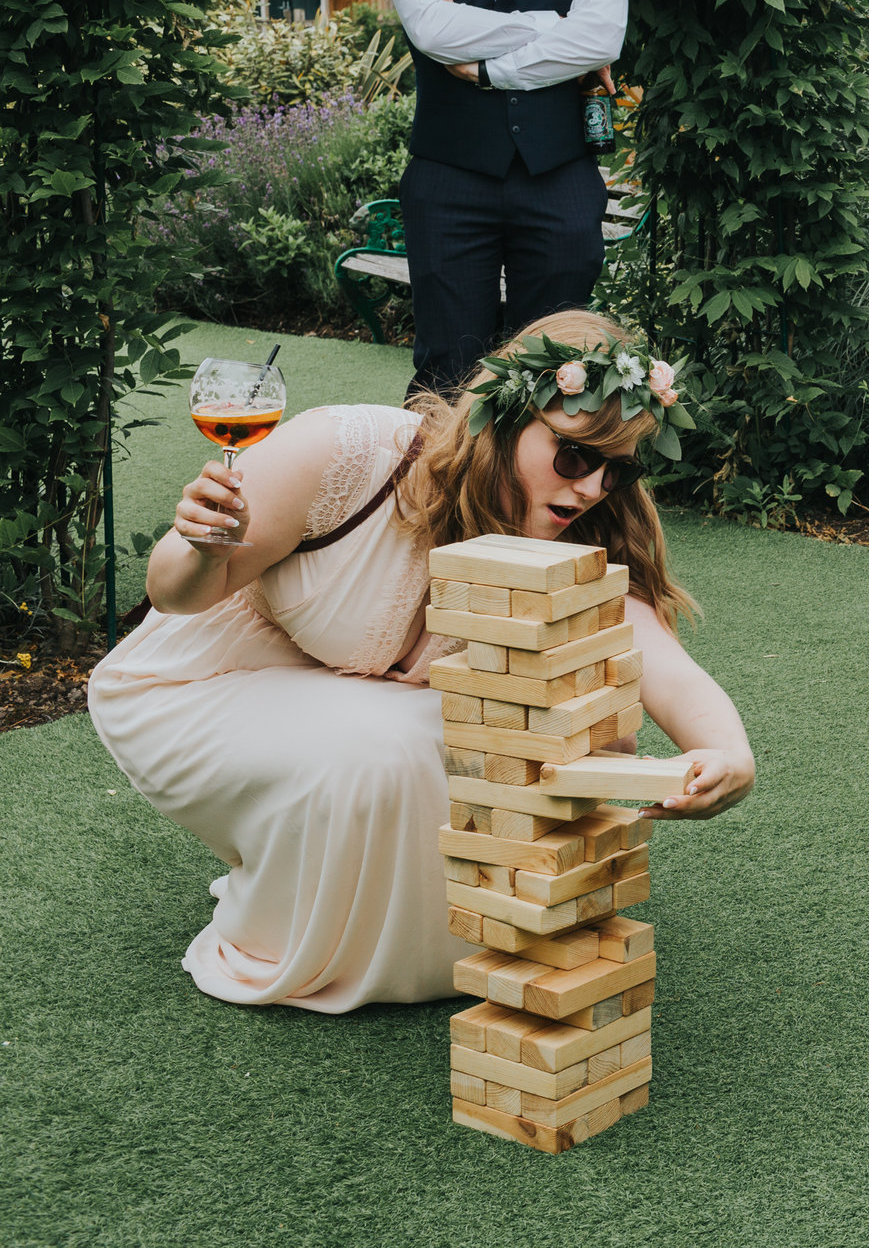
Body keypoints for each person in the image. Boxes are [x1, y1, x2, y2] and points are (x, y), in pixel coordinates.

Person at [88, 312, 755, 1012]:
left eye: (616, 468)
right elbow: (174, 591)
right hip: (204, 680)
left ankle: (428, 938)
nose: (592, 487)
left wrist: (726, 752)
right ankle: (279, 933)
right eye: (574, 455)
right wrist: (204, 547)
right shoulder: (353, 453)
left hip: (355, 707)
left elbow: (663, 665)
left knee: (482, 743)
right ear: (503, 416)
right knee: (386, 746)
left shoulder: (587, 533)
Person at [383, 0, 628, 395]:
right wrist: (556, 29)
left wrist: (488, 65)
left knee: (552, 371)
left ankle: (532, 500)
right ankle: (436, 501)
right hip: (447, 175)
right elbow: (431, 27)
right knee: (446, 374)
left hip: (560, 176)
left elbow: (603, 35)